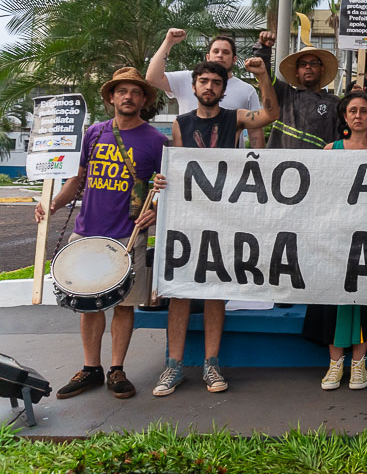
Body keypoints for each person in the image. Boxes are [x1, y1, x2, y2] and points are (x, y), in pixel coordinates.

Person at [35, 67, 166, 400]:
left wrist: (158, 211)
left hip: (129, 236)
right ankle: (90, 368)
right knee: (89, 306)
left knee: (125, 306)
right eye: (122, 91)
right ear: (111, 97)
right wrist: (51, 204)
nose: (128, 97)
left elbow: (168, 188)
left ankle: (117, 369)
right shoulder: (93, 133)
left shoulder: (156, 141)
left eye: (135, 92)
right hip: (87, 232)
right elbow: (75, 181)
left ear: (143, 100)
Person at [151, 57, 279, 397]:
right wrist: (164, 180)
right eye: (204, 81)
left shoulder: (234, 118)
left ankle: (211, 363)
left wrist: (263, 75)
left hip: (225, 215)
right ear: (193, 87)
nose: (209, 87)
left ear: (224, 89)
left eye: (216, 82)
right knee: (180, 289)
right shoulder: (180, 123)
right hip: (188, 215)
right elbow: (178, 168)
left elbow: (270, 115)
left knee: (215, 288)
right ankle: (174, 365)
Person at [302, 90, 367, 391]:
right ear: (344, 115)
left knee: (364, 300)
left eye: (364, 111)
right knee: (334, 299)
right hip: (336, 238)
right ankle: (334, 364)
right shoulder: (331, 150)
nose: (358, 116)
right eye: (352, 110)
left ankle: (358, 365)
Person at [145, 29, 269, 148]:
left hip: (230, 164)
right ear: (208, 57)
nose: (220, 55)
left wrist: (257, 164)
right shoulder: (186, 78)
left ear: (234, 59)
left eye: (225, 52)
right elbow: (152, 77)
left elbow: (255, 131)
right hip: (191, 163)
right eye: (216, 51)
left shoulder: (247, 90)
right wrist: (169, 41)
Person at [263, 46, 343, 149]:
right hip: (281, 162)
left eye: (313, 63)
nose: (308, 67)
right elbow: (266, 77)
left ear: (322, 69)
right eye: (303, 64)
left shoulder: (336, 104)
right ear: (297, 72)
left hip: (318, 163)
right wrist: (263, 51)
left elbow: (341, 142)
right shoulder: (285, 94)